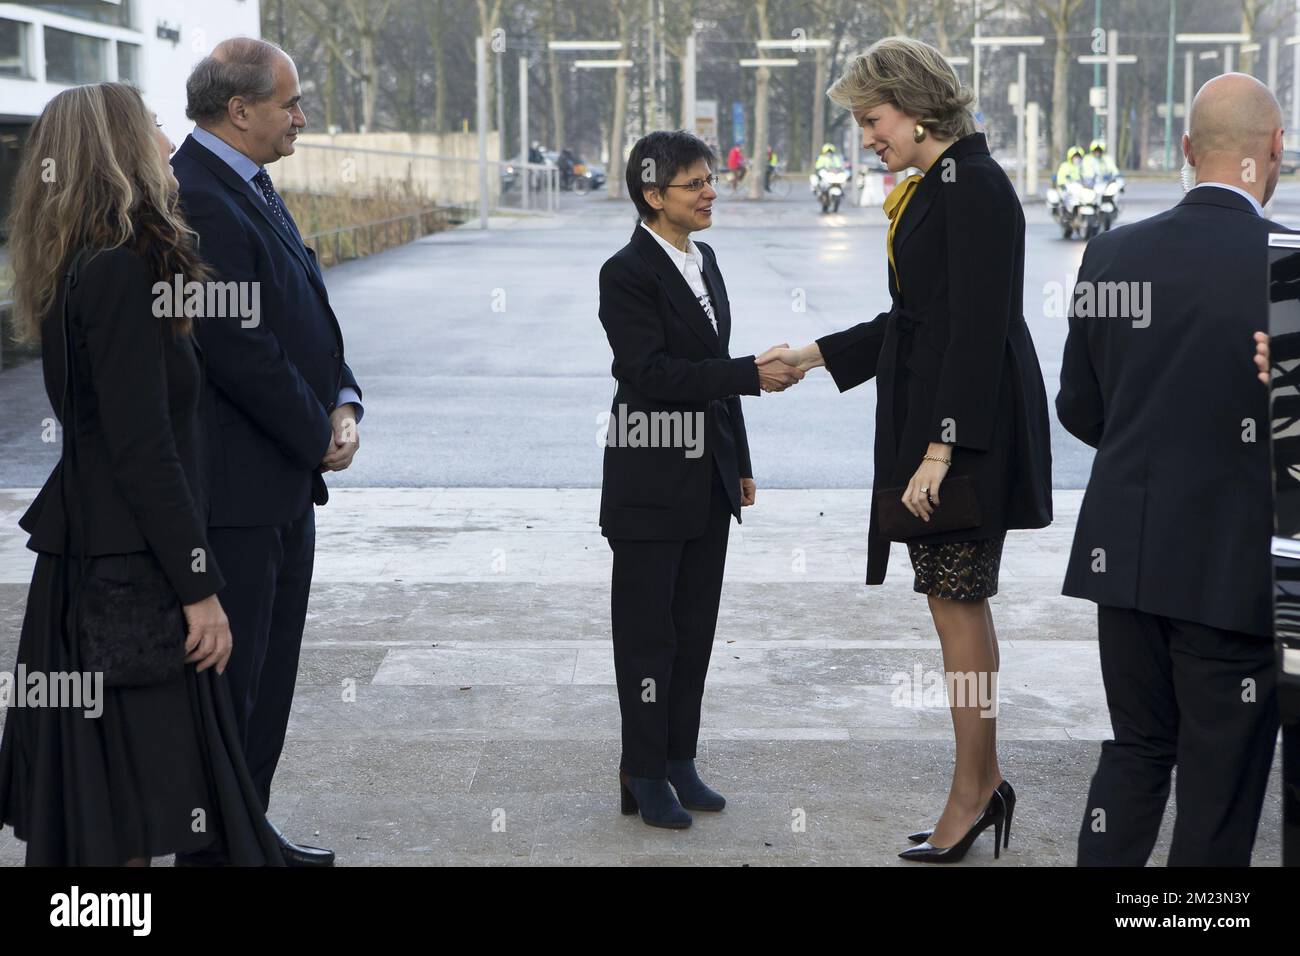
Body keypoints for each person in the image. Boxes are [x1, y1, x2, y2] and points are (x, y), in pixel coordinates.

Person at [758, 36, 1053, 862]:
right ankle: (982, 784)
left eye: (872, 119)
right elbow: (915, 319)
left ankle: (972, 794)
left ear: (918, 107)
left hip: (966, 437)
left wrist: (940, 448)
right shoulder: (947, 183)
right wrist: (813, 354)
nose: (867, 137)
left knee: (957, 608)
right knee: (957, 606)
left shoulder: (973, 187)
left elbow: (976, 329)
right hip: (954, 430)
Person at [0, 82, 282, 867]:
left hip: (93, 558)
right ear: (122, 146)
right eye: (153, 124)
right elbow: (143, 448)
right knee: (129, 808)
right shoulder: (122, 271)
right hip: (126, 573)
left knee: (104, 803)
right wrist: (199, 589)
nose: (167, 137)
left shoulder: (78, 262)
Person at [1058, 72, 1285, 866]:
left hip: (1124, 557)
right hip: (1234, 567)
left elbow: (1080, 408)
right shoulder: (1287, 267)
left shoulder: (1113, 252)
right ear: (1276, 150)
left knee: (1136, 750)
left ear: (1188, 151)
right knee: (1220, 787)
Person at [170, 36, 363, 866]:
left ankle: (251, 836)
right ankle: (215, 852)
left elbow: (304, 315)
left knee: (270, 683)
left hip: (281, 486)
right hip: (238, 495)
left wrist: (345, 397)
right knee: (232, 691)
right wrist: (316, 429)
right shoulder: (199, 195)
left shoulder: (248, 184)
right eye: (289, 103)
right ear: (238, 109)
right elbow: (238, 345)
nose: (302, 117)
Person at [597, 129, 801, 829]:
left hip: (707, 475)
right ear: (654, 196)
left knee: (695, 628)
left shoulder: (705, 259)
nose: (712, 191)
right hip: (650, 478)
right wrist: (749, 373)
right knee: (648, 637)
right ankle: (643, 771)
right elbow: (649, 375)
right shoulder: (625, 273)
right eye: (696, 184)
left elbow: (711, 367)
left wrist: (739, 461)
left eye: (711, 179)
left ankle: (679, 758)